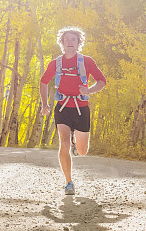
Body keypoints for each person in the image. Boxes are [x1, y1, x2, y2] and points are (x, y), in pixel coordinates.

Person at [39, 27, 106, 195]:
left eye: (73, 39)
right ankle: (68, 182)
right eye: (66, 39)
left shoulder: (87, 61)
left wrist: (89, 90)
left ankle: (77, 142)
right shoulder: (56, 63)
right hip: (62, 108)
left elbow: (101, 81)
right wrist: (45, 104)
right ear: (61, 43)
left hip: (81, 109)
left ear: (78, 43)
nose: (70, 42)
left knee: (82, 151)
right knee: (64, 143)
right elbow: (44, 81)